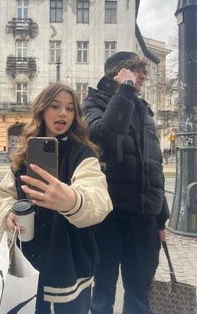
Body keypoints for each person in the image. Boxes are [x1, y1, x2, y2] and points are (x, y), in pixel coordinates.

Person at [0, 83, 113, 314]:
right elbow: (7, 194)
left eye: (70, 109)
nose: (63, 114)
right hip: (26, 262)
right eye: (56, 106)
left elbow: (99, 200)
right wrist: (8, 215)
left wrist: (71, 200)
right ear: (41, 110)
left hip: (69, 264)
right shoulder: (24, 155)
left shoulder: (83, 154)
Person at [82, 51, 170, 314]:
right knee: (104, 288)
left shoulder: (144, 110)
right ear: (119, 74)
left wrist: (160, 219)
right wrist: (125, 92)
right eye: (137, 70)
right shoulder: (93, 104)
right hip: (109, 216)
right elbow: (106, 136)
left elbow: (154, 166)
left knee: (139, 290)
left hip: (143, 218)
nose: (143, 76)